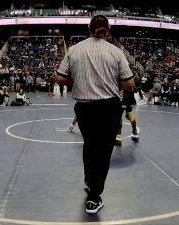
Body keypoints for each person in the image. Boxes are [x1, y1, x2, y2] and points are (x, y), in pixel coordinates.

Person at [54, 15, 135, 214]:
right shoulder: (115, 52)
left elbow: (59, 78)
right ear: (107, 30)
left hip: (85, 109)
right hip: (109, 109)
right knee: (103, 153)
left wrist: (77, 83)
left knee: (90, 148)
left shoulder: (74, 50)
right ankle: (94, 196)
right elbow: (129, 84)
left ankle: (91, 183)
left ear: (88, 29)